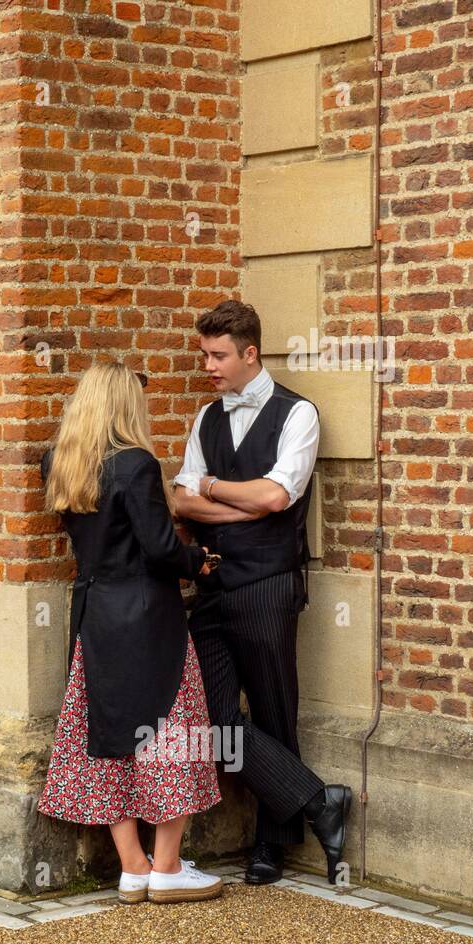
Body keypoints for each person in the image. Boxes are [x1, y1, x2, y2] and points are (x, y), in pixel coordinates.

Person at [173, 299, 352, 885]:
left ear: (251, 353)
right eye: (205, 354)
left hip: (269, 586)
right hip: (211, 585)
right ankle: (319, 799)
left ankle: (271, 845)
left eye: (218, 355)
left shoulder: (297, 414)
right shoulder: (206, 417)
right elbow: (180, 500)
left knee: (275, 710)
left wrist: (215, 489)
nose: (209, 365)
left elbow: (278, 498)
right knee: (213, 719)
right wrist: (239, 504)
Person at [37, 362, 224, 905]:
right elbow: (161, 549)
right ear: (123, 405)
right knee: (172, 733)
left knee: (106, 737)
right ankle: (166, 867)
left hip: (95, 611)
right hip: (146, 615)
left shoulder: (59, 461)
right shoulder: (136, 464)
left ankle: (133, 867)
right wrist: (199, 560)